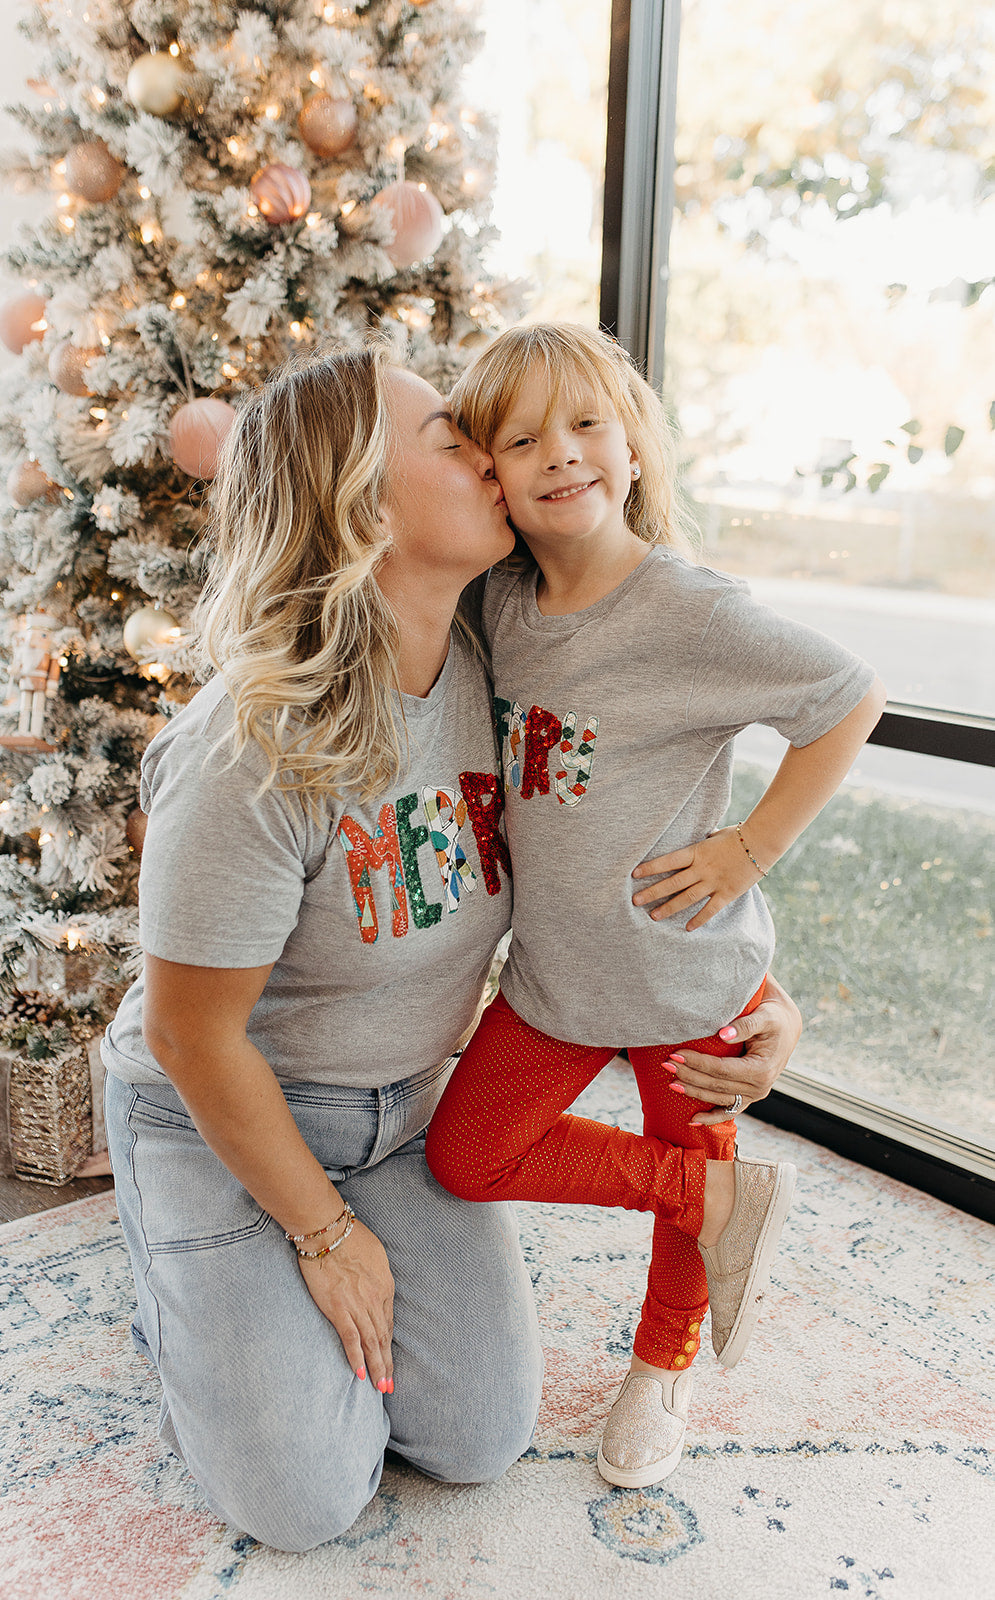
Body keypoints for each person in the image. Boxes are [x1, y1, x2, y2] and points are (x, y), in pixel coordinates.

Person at [101, 340, 804, 1553]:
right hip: (220, 1119)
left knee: (477, 1439)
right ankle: (181, 1287)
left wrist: (748, 981)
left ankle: (265, 1303)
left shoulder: (502, 655)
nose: (491, 457)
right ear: (361, 505)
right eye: (450, 440)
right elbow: (188, 1034)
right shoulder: (247, 749)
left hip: (405, 1111)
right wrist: (324, 1241)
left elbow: (613, 841)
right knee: (305, 1502)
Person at [425, 322, 886, 1492]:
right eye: (521, 439)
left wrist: (750, 848)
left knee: (686, 1219)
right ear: (491, 473)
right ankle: (718, 1192)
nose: (560, 455)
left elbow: (845, 698)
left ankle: (659, 1363)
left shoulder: (690, 611)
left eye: (585, 425)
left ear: (631, 443)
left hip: (681, 973)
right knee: (469, 1152)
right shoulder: (499, 602)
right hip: (553, 975)